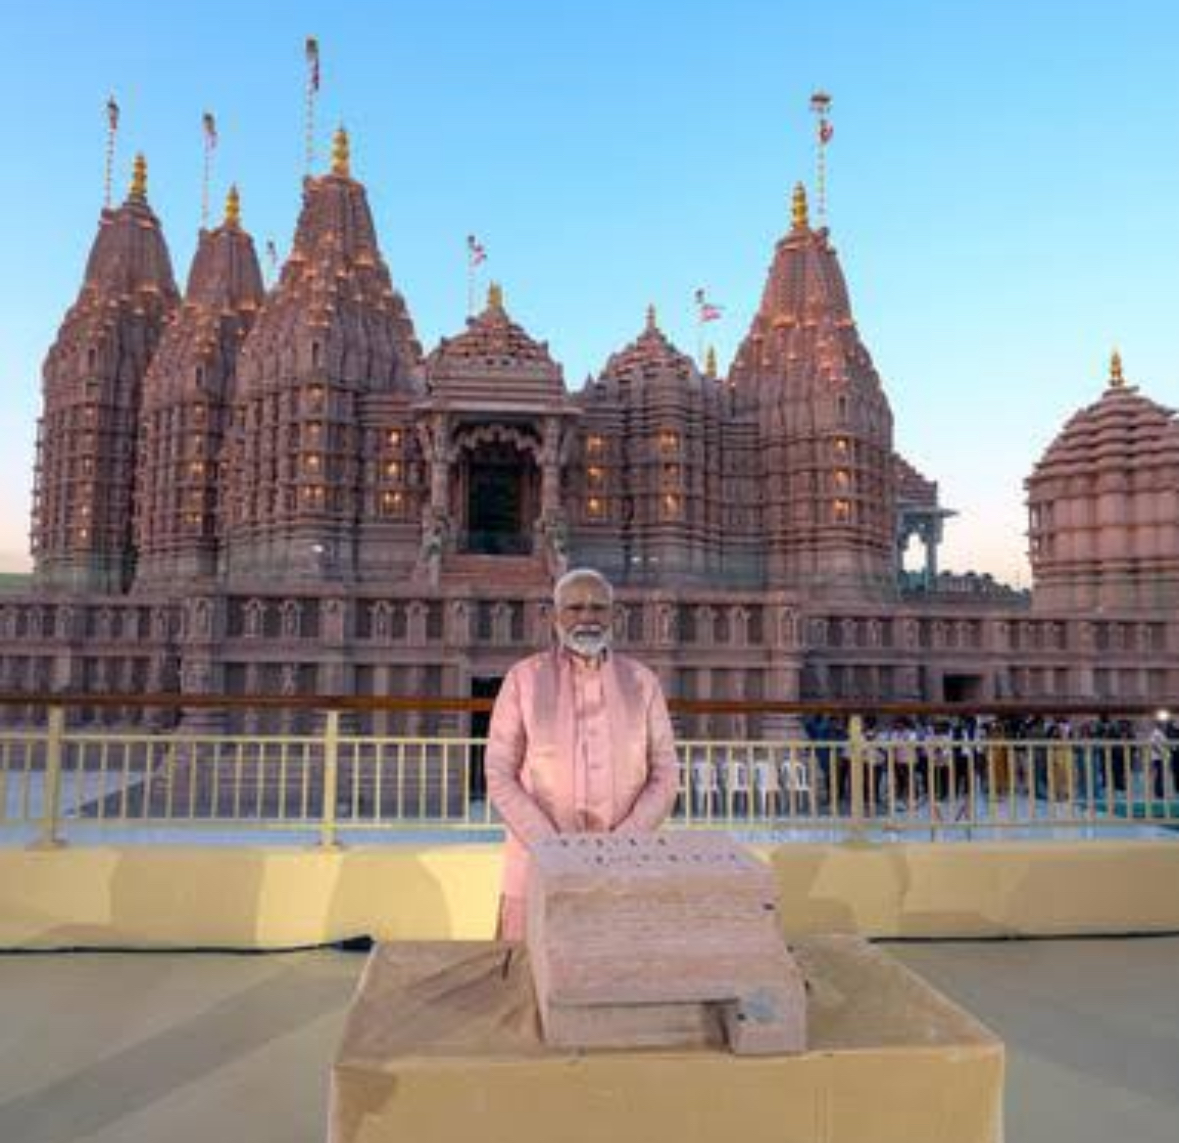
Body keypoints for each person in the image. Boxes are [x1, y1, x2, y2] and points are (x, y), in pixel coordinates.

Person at [485, 567, 679, 940]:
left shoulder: (642, 681)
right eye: (575, 608)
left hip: (624, 858)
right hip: (538, 856)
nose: (588, 617)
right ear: (555, 616)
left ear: (614, 616)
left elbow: (665, 773)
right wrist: (550, 844)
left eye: (598, 608)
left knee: (612, 973)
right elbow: (499, 772)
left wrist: (624, 840)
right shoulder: (523, 679)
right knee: (528, 978)